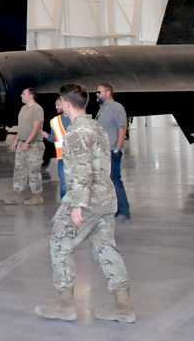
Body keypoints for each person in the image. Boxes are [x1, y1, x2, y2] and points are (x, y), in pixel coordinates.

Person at [36, 87, 133, 324]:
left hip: (86, 200)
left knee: (60, 242)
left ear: (67, 104)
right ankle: (123, 306)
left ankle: (65, 304)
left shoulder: (76, 133)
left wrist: (78, 205)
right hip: (105, 198)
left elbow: (81, 171)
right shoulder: (96, 127)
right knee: (105, 248)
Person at [96, 83, 131, 220]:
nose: (97, 94)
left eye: (99, 92)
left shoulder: (116, 107)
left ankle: (124, 211)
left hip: (112, 151)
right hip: (103, 152)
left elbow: (122, 128)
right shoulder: (102, 109)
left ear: (108, 92)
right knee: (107, 182)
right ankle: (114, 209)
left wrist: (118, 148)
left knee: (115, 180)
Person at [5, 89, 45, 206]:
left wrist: (27, 142)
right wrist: (15, 140)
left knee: (33, 170)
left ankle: (37, 197)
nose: (21, 95)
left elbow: (36, 127)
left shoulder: (37, 109)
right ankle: (18, 195)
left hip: (34, 145)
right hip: (22, 144)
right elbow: (22, 128)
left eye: (23, 94)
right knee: (19, 169)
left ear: (31, 95)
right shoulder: (23, 109)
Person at [50, 84, 83, 200]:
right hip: (62, 157)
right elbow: (54, 138)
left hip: (73, 157)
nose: (56, 107)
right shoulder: (54, 121)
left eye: (58, 104)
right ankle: (66, 206)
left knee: (72, 183)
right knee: (65, 184)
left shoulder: (78, 120)